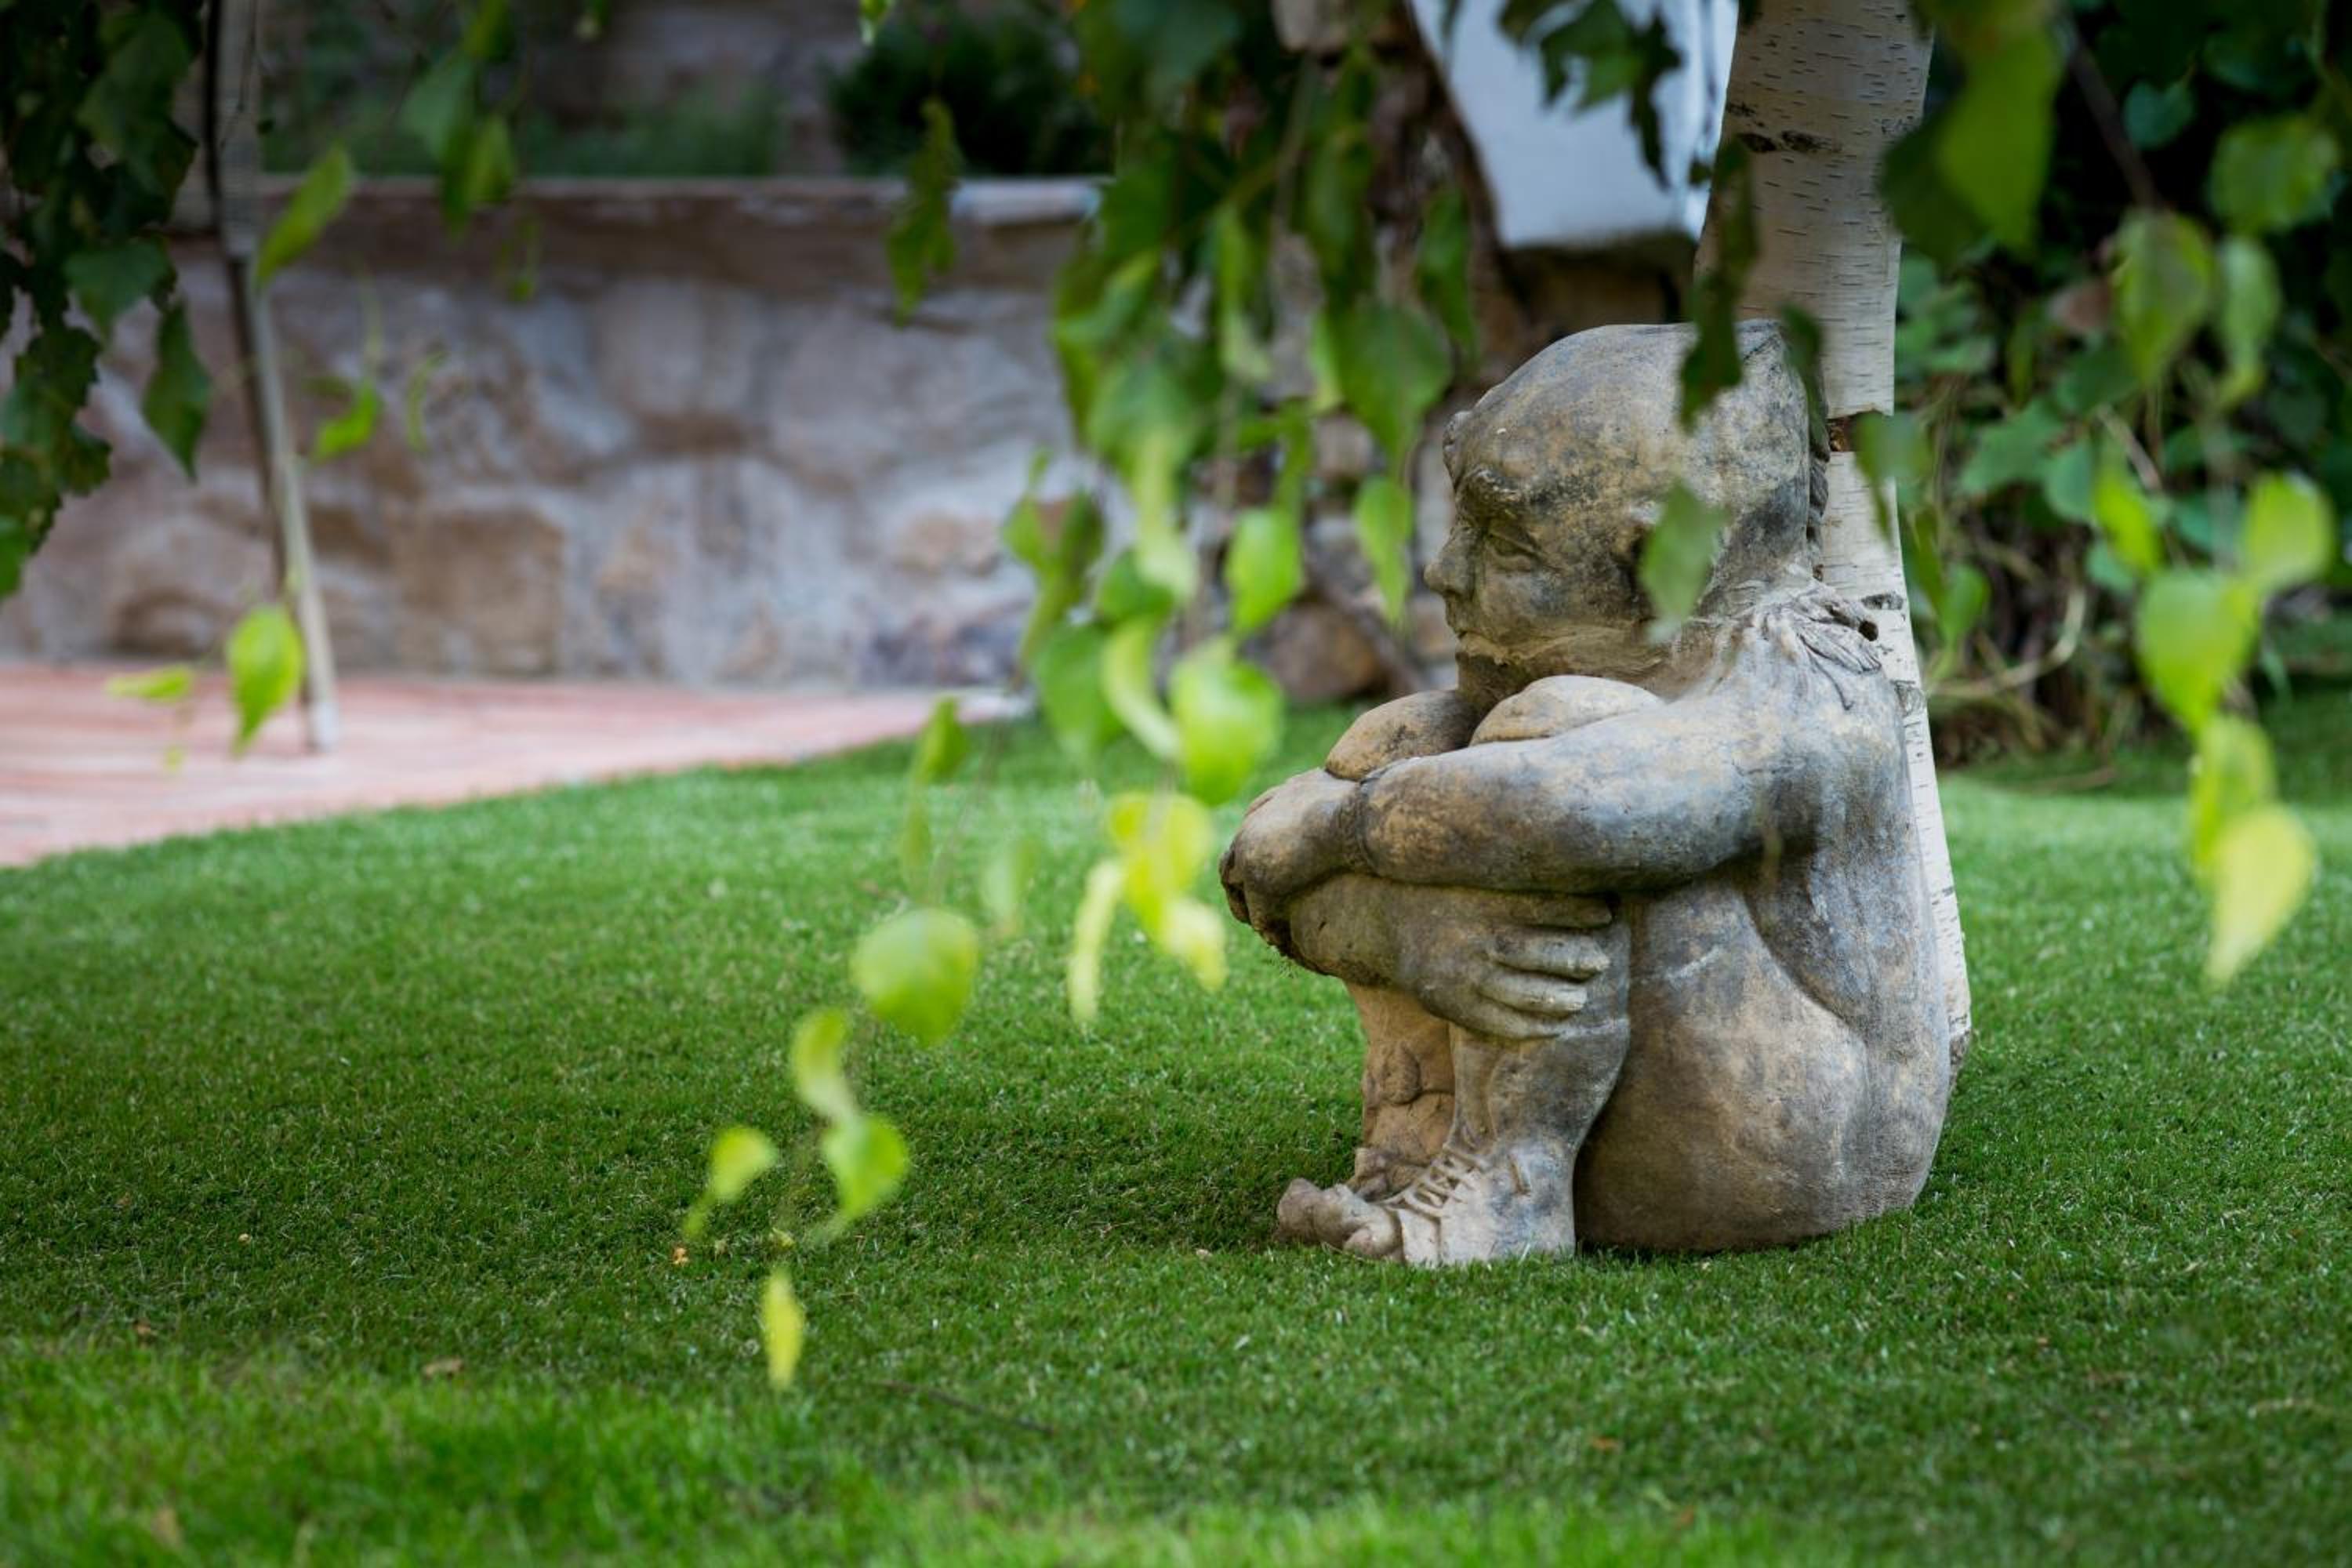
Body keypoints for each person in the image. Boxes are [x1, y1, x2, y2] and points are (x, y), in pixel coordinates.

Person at [1221, 321, 1951, 1262]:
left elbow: (1579, 812)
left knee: (1535, 752)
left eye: (1503, 543)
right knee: (1399, 745)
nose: (1444, 571)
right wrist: (1414, 933)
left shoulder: (1809, 688)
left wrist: (1342, 829)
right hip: (1671, 1091)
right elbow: (1257, 865)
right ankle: (1412, 1157)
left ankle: (1509, 1187)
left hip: (1782, 1149)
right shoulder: (1561, 683)